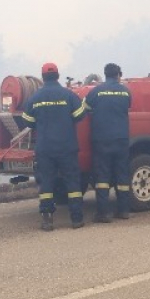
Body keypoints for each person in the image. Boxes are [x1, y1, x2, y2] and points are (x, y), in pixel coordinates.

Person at [22, 62, 88, 230]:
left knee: (46, 184)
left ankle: (47, 220)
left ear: (43, 77)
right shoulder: (68, 95)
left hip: (45, 148)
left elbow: (27, 121)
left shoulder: (35, 98)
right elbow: (80, 115)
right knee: (72, 183)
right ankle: (76, 219)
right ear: (57, 76)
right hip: (67, 147)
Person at [84, 62, 132, 223]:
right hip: (121, 138)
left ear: (105, 74)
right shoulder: (125, 91)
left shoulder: (96, 91)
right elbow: (128, 106)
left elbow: (85, 108)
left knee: (102, 176)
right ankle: (124, 210)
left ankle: (103, 213)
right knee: (122, 174)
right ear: (118, 75)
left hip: (102, 139)